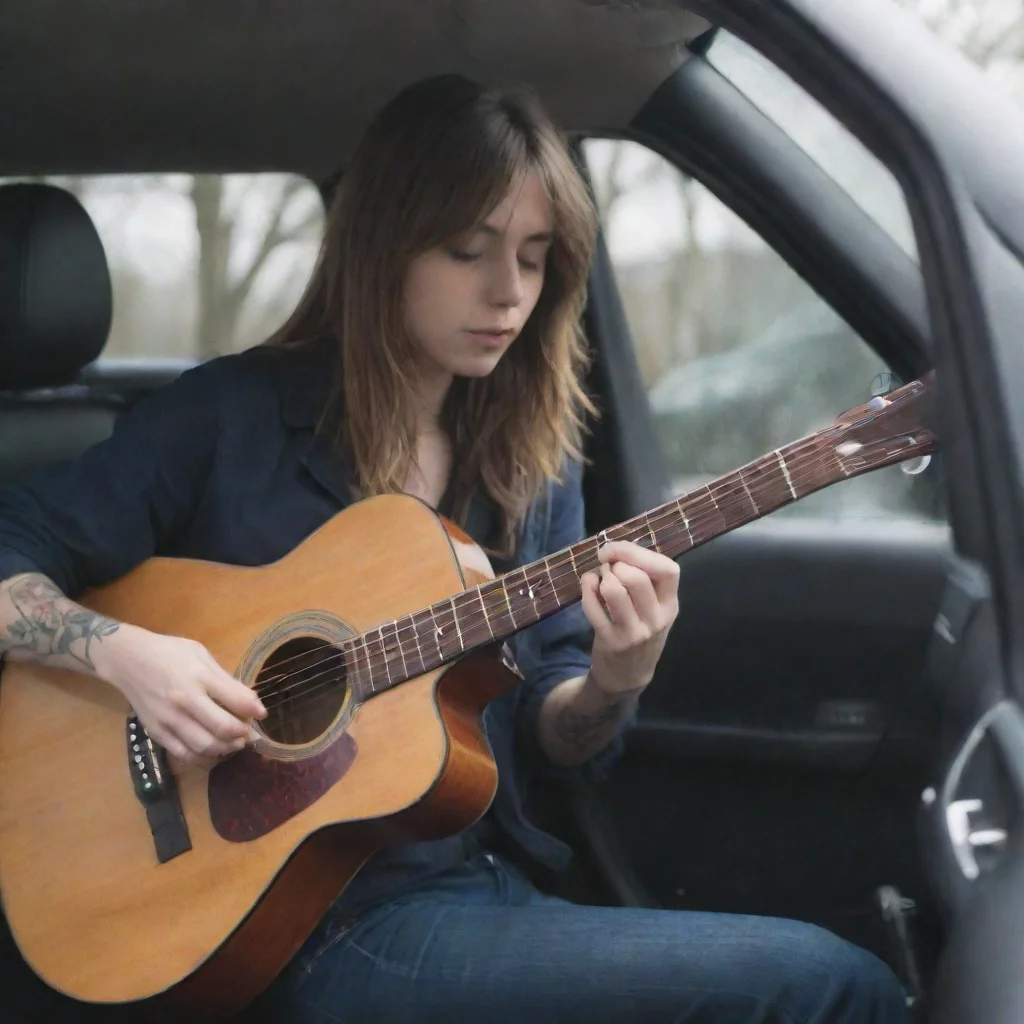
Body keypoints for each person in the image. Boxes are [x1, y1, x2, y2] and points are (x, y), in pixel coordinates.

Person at [0, 75, 908, 1023]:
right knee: (834, 984)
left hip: (471, 887)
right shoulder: (227, 416)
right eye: (466, 249)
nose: (508, 292)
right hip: (292, 926)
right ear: (383, 246)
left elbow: (562, 744)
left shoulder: (532, 461)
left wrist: (614, 680)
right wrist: (130, 656)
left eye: (535, 254)